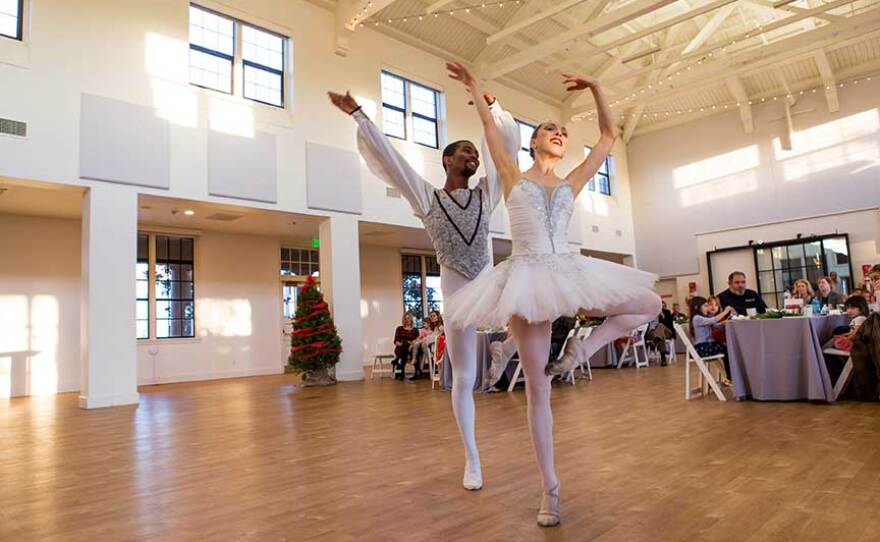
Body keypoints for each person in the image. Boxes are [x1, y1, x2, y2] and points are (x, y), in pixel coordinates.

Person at [443, 62, 659, 527]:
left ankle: (582, 348)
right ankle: (551, 488)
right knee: (537, 385)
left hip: (569, 270)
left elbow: (606, 137)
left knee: (650, 304)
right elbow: (487, 125)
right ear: (533, 141)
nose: (558, 132)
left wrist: (598, 87)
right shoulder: (511, 174)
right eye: (549, 129)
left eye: (561, 130)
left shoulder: (572, 180)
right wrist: (477, 87)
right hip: (525, 277)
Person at [328, 87, 519, 490]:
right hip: (457, 296)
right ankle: (472, 457)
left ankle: (506, 347)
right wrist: (360, 114)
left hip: (490, 285)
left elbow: (510, 150)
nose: (473, 155)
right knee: (464, 376)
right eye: (465, 150)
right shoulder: (427, 198)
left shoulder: (488, 192)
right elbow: (391, 161)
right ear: (448, 160)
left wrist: (494, 109)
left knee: (534, 305)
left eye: (476, 152)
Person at [688, 296, 734, 385]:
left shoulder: (701, 318)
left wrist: (725, 322)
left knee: (727, 348)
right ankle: (730, 377)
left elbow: (716, 325)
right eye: (705, 306)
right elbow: (713, 321)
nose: (708, 308)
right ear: (696, 307)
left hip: (706, 346)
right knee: (727, 349)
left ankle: (730, 377)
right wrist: (725, 312)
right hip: (703, 348)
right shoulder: (697, 318)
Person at [411, 310, 445, 379]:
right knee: (422, 344)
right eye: (431, 316)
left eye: (434, 316)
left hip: (438, 346)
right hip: (432, 344)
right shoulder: (434, 327)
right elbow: (430, 337)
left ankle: (428, 361)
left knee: (423, 344)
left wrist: (420, 341)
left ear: (438, 316)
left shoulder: (441, 327)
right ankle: (427, 361)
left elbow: (435, 337)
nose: (432, 317)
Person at [392, 313, 420, 380]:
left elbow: (417, 340)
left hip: (411, 348)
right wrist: (399, 343)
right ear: (403, 320)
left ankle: (398, 363)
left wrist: (410, 343)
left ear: (411, 319)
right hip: (400, 347)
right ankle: (401, 370)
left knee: (407, 345)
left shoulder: (415, 330)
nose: (407, 320)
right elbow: (396, 340)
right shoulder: (399, 328)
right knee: (404, 344)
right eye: (405, 318)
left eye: (408, 318)